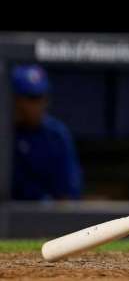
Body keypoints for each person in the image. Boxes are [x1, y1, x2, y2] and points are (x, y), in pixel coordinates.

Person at [11, 65, 83, 201]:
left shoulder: (56, 134)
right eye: (32, 98)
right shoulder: (6, 133)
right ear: (16, 100)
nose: (39, 104)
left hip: (47, 216)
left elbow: (69, 193)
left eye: (42, 97)